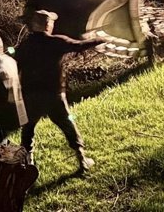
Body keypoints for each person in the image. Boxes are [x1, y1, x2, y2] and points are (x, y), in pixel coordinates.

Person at [15, 10, 105, 172]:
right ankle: (82, 159)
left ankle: (28, 164)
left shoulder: (25, 45)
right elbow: (78, 46)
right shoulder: (56, 41)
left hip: (31, 96)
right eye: (51, 22)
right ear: (48, 25)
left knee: (28, 129)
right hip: (54, 95)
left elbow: (16, 68)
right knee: (68, 124)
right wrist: (100, 39)